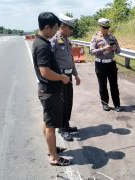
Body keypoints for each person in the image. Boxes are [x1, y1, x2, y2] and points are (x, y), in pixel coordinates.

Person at [32, 12, 71, 166]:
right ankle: (54, 157)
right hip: (49, 91)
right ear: (47, 27)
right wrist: (62, 77)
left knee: (47, 121)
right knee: (51, 126)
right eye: (55, 28)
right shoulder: (42, 46)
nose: (56, 31)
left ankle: (52, 148)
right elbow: (45, 72)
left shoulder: (41, 41)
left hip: (46, 90)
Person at [51, 13, 80, 141]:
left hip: (68, 75)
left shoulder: (68, 41)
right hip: (60, 76)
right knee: (62, 103)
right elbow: (50, 61)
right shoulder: (55, 40)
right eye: (70, 28)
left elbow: (71, 59)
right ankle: (62, 129)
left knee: (69, 102)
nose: (71, 30)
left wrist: (76, 75)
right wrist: (58, 76)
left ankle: (66, 125)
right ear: (62, 27)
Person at [90, 18, 122, 112]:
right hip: (100, 64)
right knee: (102, 85)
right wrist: (103, 49)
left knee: (114, 85)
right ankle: (105, 104)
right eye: (104, 27)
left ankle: (117, 105)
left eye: (107, 27)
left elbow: (119, 51)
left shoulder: (112, 37)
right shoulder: (95, 38)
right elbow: (91, 51)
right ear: (100, 27)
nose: (106, 29)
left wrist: (115, 48)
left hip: (111, 64)